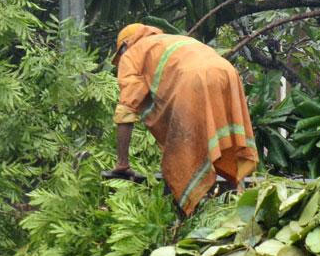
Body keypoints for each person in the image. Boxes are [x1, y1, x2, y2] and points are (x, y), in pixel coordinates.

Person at [108, 23, 259, 216]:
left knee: (179, 157)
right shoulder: (173, 41)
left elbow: (126, 110)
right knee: (222, 138)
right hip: (227, 72)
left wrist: (122, 163)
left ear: (124, 47)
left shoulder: (132, 53)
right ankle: (231, 205)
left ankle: (185, 215)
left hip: (193, 79)